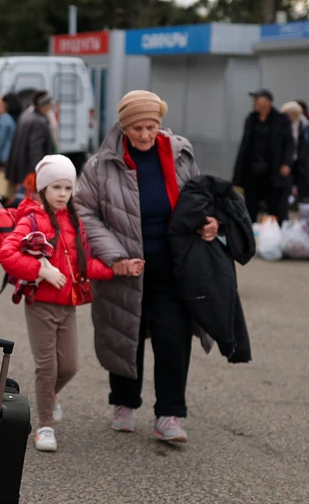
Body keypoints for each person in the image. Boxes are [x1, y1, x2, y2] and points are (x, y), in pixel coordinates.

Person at [76, 90, 217, 444]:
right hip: (125, 266)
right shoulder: (100, 165)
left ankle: (169, 415)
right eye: (136, 127)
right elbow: (86, 212)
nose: (144, 134)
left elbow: (199, 198)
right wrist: (115, 257)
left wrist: (208, 221)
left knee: (173, 338)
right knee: (126, 335)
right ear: (124, 128)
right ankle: (124, 403)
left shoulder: (180, 153)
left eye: (151, 126)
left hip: (173, 266)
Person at [0, 155, 141, 452]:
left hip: (69, 305)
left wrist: (119, 268)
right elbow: (7, 254)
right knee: (47, 367)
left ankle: (49, 397)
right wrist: (41, 270)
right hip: (40, 304)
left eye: (67, 187)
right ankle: (45, 426)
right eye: (56, 187)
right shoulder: (32, 219)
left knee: (71, 366)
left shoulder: (76, 222)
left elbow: (86, 264)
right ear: (42, 189)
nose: (63, 194)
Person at [232, 89, 294, 224]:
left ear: (268, 102)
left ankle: (276, 235)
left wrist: (287, 163)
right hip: (253, 172)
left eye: (257, 99)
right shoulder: (251, 119)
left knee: (276, 208)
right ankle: (250, 235)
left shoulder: (281, 120)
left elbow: (289, 143)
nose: (254, 102)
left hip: (273, 171)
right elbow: (244, 145)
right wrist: (238, 173)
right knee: (250, 207)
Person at [6, 91, 56, 195]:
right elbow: (35, 149)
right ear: (45, 105)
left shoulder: (25, 116)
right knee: (30, 202)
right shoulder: (39, 121)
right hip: (30, 173)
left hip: (21, 170)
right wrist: (39, 170)